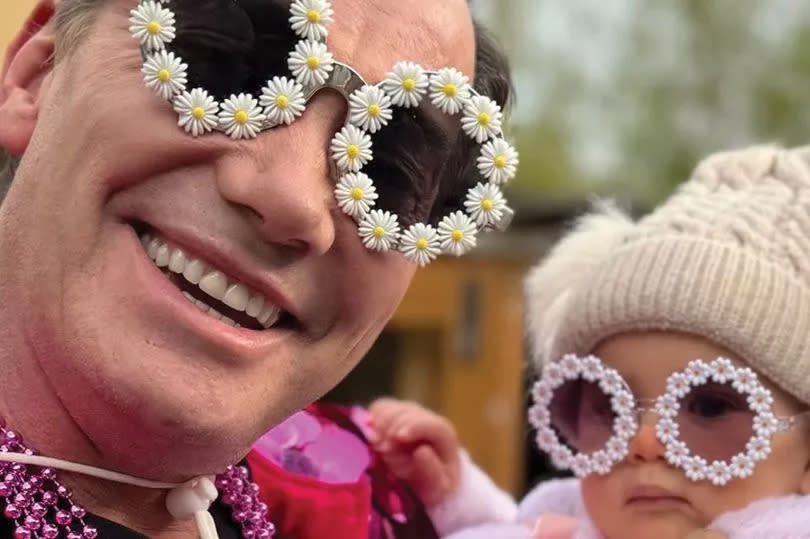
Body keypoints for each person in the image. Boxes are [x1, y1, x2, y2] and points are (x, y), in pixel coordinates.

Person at [0, 0, 520, 536]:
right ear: (36, 77)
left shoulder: (387, 505)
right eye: (224, 68)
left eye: (393, 165)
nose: (293, 199)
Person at [447, 145, 810, 538]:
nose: (644, 441)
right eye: (609, 407)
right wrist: (450, 503)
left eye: (709, 406)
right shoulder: (556, 524)